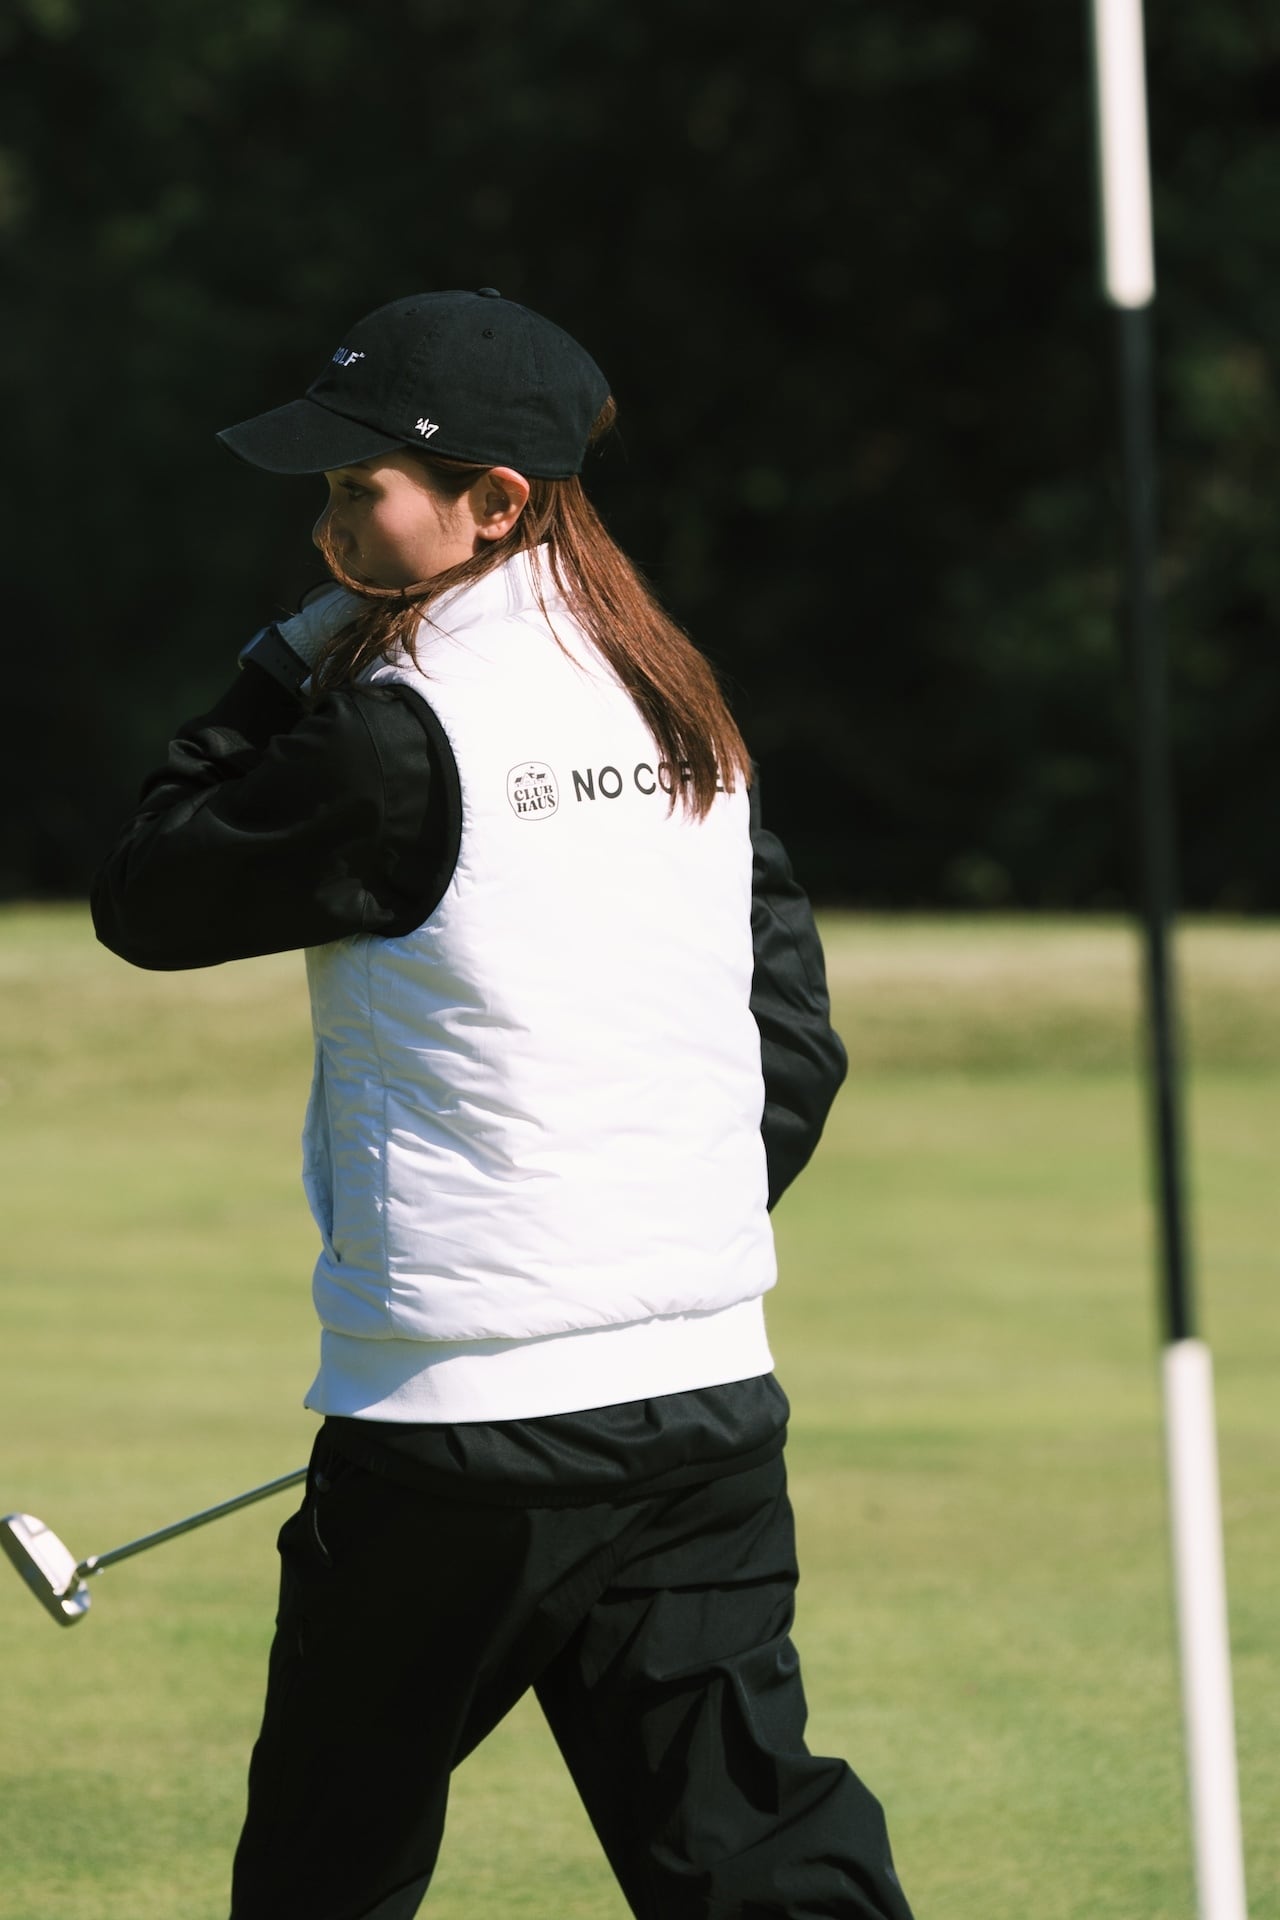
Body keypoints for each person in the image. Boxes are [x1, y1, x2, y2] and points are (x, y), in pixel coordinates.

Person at [91, 288, 915, 1920]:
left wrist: (285, 655)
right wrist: (647, 1245)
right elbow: (791, 1041)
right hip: (702, 1398)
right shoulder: (675, 707)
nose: (327, 529)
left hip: (457, 1428)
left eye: (359, 490)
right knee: (760, 1862)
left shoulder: (395, 734)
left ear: (494, 503)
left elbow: (146, 892)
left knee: (328, 1867)